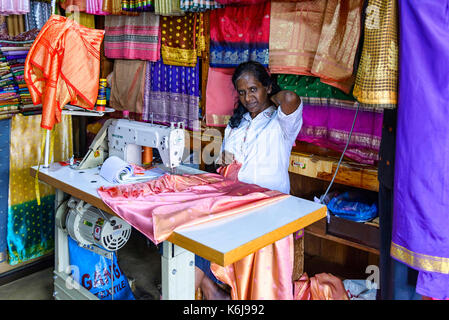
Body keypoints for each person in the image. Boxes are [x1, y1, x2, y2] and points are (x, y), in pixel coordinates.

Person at [195, 60, 303, 299]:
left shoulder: (282, 123)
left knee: (204, 237)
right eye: (242, 92)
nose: (247, 97)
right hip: (236, 204)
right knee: (193, 231)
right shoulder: (237, 125)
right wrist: (222, 162)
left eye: (253, 89)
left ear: (267, 87)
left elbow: (290, 99)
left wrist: (271, 94)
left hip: (268, 208)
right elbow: (223, 167)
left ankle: (206, 288)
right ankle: (209, 288)